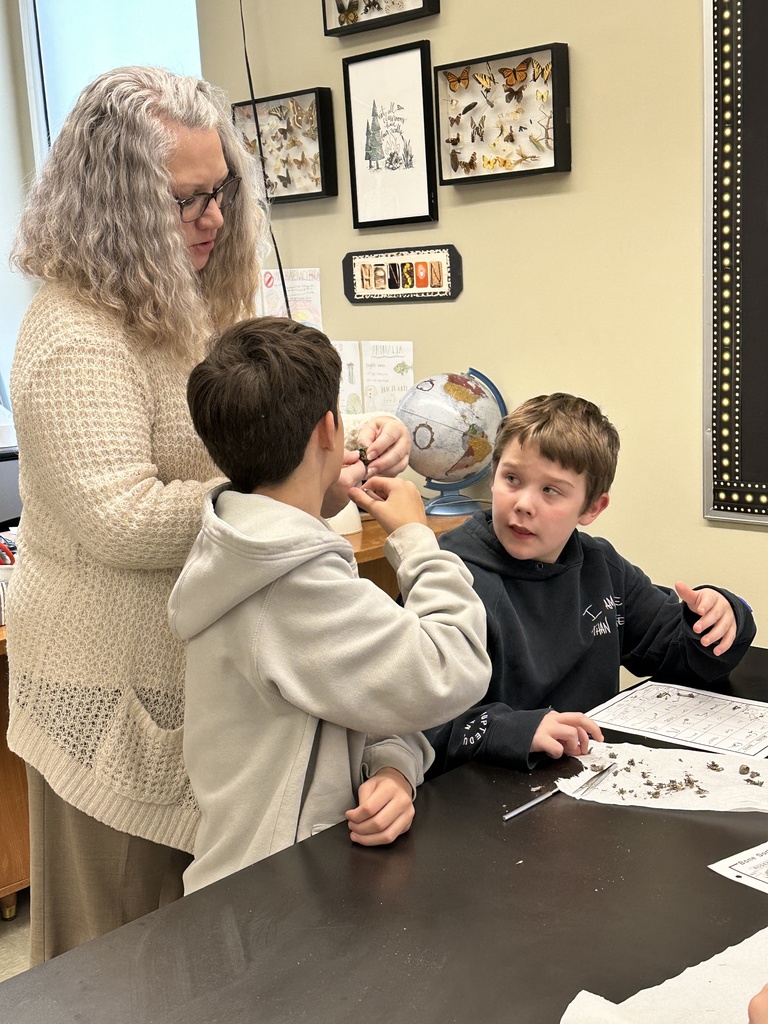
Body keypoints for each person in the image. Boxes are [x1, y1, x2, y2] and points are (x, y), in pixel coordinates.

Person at [6, 66, 411, 962]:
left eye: (221, 190)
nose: (215, 219)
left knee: (200, 955)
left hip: (195, 678)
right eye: (187, 200)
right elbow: (122, 516)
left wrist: (335, 437)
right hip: (105, 692)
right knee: (112, 958)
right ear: (114, 205)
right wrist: (300, 488)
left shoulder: (189, 303)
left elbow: (259, 426)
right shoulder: (73, 332)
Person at [170, 316, 492, 894]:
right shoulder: (294, 585)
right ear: (328, 430)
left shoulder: (242, 544)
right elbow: (454, 667)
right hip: (275, 897)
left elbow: (354, 700)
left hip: (275, 874)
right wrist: (417, 539)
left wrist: (394, 766)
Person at [425, 392, 757, 777]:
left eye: (551, 490)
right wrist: (515, 730)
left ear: (592, 508)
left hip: (586, 779)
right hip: (482, 799)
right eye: (512, 479)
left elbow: (677, 650)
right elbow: (416, 724)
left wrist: (721, 616)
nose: (524, 504)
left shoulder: (601, 567)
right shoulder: (445, 574)